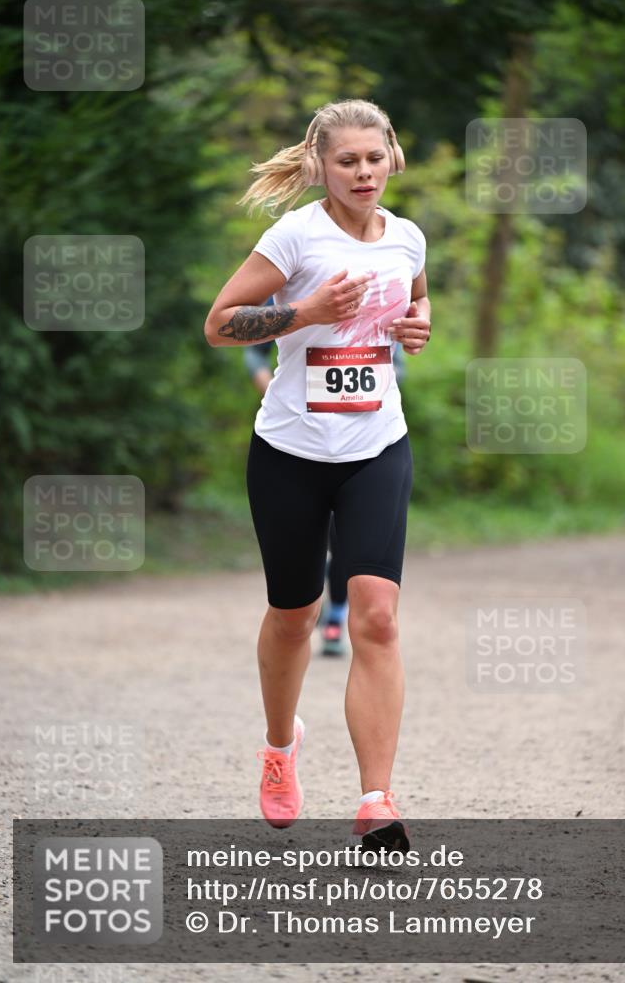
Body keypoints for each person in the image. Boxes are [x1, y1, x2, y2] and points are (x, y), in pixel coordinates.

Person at [204, 98, 430, 852]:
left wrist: (416, 326)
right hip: (291, 453)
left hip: (375, 445)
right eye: (346, 161)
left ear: (392, 156)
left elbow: (415, 302)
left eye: (374, 157)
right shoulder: (294, 235)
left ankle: (376, 801)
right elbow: (219, 323)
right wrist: (301, 313)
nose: (363, 172)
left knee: (376, 615)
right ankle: (278, 746)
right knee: (295, 615)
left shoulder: (407, 239)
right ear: (319, 168)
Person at [243, 334, 408, 657]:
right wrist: (271, 383)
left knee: (347, 542)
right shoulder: (286, 285)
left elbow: (398, 358)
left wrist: (367, 385)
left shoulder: (386, 284)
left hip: (364, 438)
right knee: (302, 574)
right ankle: (312, 602)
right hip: (297, 438)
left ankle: (335, 614)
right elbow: (251, 350)